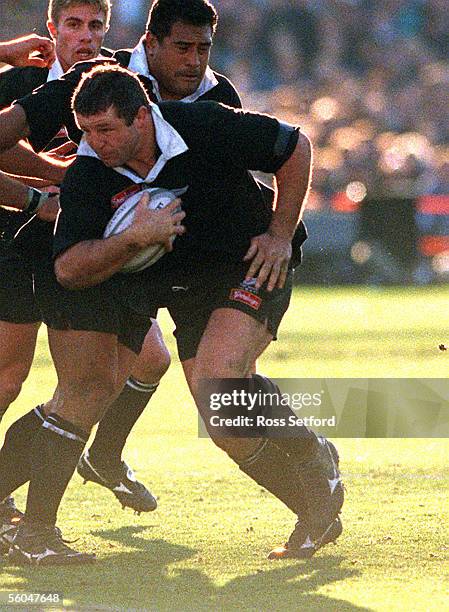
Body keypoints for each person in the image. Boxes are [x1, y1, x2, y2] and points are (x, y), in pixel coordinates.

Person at [3, 64, 343, 565]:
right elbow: (70, 268)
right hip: (173, 286)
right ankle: (315, 512)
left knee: (217, 379)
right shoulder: (89, 173)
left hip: (247, 262)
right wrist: (132, 238)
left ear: (143, 118)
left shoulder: (202, 124)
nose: (93, 143)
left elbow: (295, 148)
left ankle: (310, 449)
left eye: (105, 130)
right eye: (86, 132)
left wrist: (277, 234)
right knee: (221, 422)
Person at [0, 0, 243, 519]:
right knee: (55, 388)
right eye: (73, 24)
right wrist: (56, 184)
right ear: (150, 44)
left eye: (96, 25)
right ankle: (34, 525)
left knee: (135, 377)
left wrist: (274, 235)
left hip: (136, 264)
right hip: (55, 251)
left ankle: (99, 464)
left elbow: (275, 157)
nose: (193, 60)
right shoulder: (82, 84)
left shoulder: (214, 98)